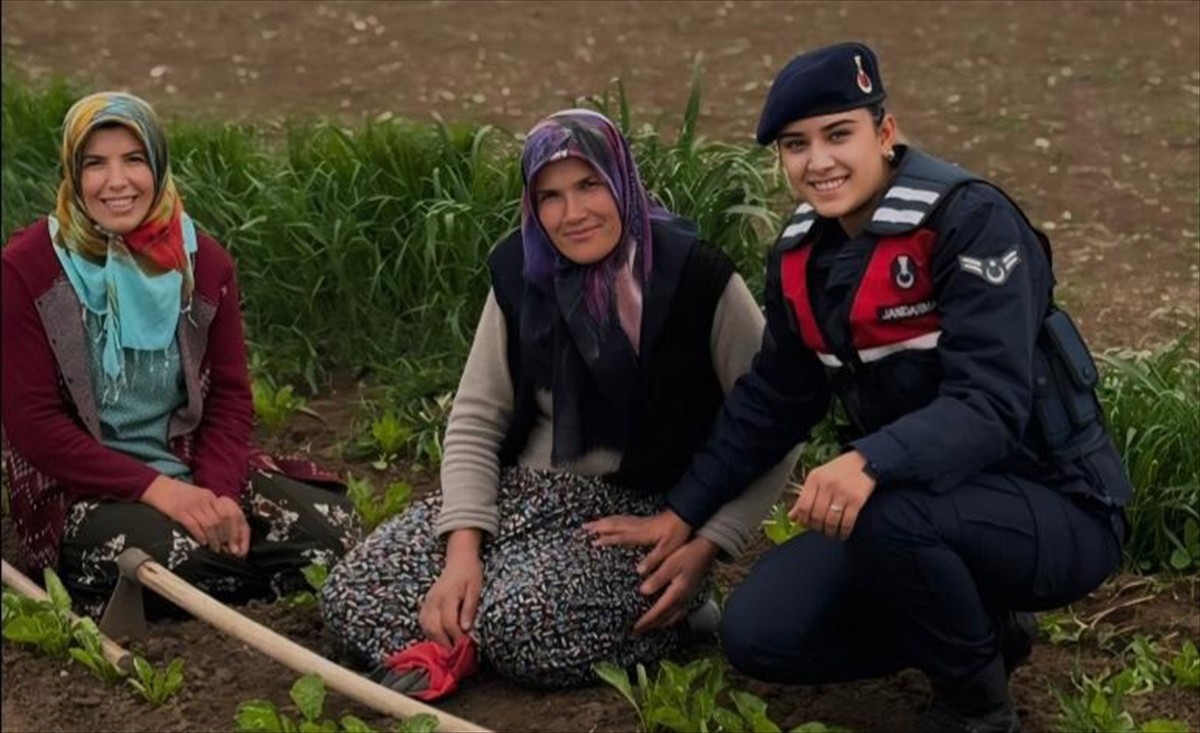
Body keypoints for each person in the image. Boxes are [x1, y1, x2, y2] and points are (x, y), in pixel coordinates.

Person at [597, 42, 1132, 733]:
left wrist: (869, 460)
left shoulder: (968, 221)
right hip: (927, 505)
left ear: (884, 133)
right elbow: (772, 400)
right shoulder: (800, 253)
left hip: (1054, 504)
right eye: (796, 144)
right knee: (761, 633)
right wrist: (683, 511)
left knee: (882, 513)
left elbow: (992, 404)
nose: (818, 161)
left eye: (838, 134)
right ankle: (985, 632)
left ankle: (976, 710)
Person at [320, 108, 797, 689]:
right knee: (355, 595)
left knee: (525, 625)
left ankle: (684, 618)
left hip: (645, 514)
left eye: (590, 185)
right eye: (550, 196)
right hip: (523, 496)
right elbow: (476, 418)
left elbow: (776, 419)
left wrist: (709, 543)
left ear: (621, 180)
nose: (572, 214)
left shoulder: (698, 281)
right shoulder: (523, 272)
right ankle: (476, 632)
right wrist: (463, 553)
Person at [1, 91, 361, 618]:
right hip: (82, 491)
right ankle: (255, 580)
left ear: (158, 165)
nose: (117, 182)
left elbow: (230, 400)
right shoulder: (27, 269)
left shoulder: (203, 264)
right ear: (72, 174)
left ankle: (224, 579)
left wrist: (216, 496)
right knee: (174, 554)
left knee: (333, 526)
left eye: (134, 159)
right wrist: (159, 491)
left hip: (190, 466)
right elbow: (34, 427)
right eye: (95, 164)